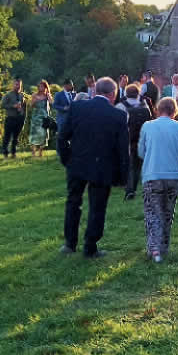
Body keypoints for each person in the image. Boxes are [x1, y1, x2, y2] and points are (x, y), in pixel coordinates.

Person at [57, 77, 129, 259]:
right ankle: (90, 246)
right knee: (97, 207)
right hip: (102, 166)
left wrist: (67, 160)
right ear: (113, 94)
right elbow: (122, 149)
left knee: (73, 202)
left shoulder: (77, 108)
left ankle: (69, 243)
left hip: (77, 163)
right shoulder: (118, 116)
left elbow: (62, 136)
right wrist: (122, 177)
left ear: (95, 91)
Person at [137, 96, 178, 263]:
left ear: (158, 109)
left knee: (153, 212)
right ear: (174, 111)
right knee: (168, 213)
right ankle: (164, 247)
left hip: (152, 175)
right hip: (174, 176)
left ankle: (154, 249)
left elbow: (141, 152)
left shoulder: (147, 126)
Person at [121, 84, 152, 200]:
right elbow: (150, 122)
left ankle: (130, 190)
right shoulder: (145, 108)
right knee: (139, 165)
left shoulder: (123, 107)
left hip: (129, 139)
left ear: (126, 94)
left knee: (130, 165)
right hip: (143, 139)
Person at [0, 78, 26, 159]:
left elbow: (24, 107)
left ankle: (13, 153)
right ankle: (5, 154)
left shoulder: (22, 95)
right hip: (10, 118)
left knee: (16, 137)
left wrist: (22, 115)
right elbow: (2, 105)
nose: (18, 86)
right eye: (16, 84)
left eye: (19, 85)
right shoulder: (8, 95)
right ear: (13, 85)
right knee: (7, 137)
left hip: (19, 119)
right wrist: (13, 106)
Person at [28, 80, 53, 157]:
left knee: (44, 135)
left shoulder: (47, 95)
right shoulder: (34, 95)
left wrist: (49, 97)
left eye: (42, 86)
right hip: (35, 118)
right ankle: (33, 153)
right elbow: (30, 106)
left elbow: (52, 103)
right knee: (34, 135)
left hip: (44, 118)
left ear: (46, 87)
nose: (40, 88)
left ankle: (40, 152)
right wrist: (34, 101)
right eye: (39, 86)